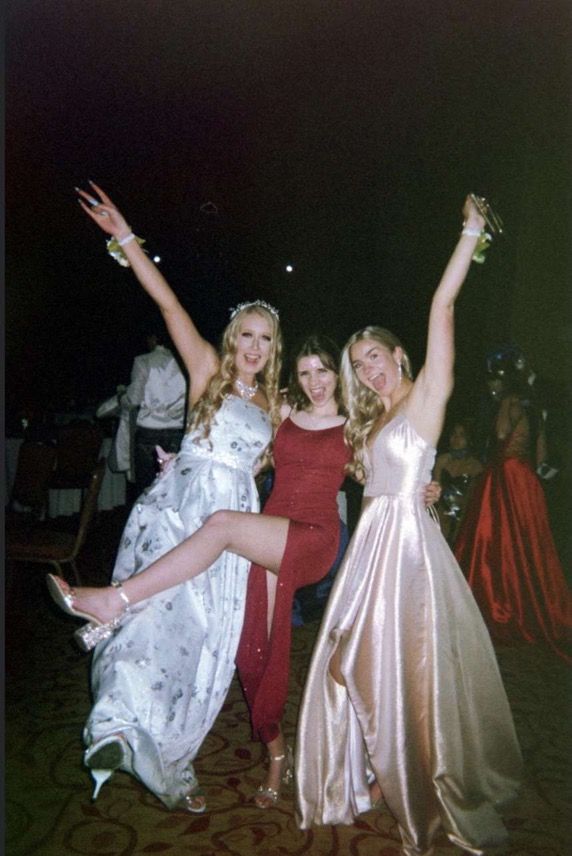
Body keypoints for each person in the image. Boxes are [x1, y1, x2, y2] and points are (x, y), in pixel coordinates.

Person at [47, 331, 440, 810]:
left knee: (223, 527)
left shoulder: (356, 424)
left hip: (312, 536)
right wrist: (183, 462)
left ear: (339, 375)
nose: (315, 382)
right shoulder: (284, 413)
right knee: (254, 654)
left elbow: (385, 469)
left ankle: (115, 598)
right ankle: (278, 754)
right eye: (304, 373)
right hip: (269, 534)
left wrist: (425, 486)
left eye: (324, 371)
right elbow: (239, 450)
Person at [295, 196, 523, 855]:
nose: (368, 367)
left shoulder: (426, 396)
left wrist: (470, 235)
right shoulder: (365, 420)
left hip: (407, 552)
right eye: (358, 363)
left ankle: (419, 784)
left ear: (398, 355)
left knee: (406, 669)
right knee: (353, 659)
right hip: (367, 545)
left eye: (375, 356)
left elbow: (441, 309)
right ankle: (362, 772)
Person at [53, 182, 282, 813]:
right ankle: (117, 726)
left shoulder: (275, 404)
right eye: (247, 336)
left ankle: (168, 754)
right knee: (151, 622)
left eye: (266, 340)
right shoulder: (206, 368)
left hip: (232, 525)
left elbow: (327, 441)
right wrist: (124, 234)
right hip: (180, 511)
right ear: (232, 338)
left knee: (202, 643)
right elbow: (167, 300)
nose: (255, 348)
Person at [454, 357, 572, 663]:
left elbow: (502, 433)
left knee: (496, 541)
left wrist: (499, 412)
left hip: (506, 474)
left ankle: (500, 602)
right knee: (529, 545)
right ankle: (530, 603)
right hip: (528, 479)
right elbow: (542, 456)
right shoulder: (536, 412)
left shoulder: (509, 402)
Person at [122, 328, 187, 496]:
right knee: (172, 489)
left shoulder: (143, 361)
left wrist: (122, 398)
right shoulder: (184, 363)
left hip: (148, 433)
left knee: (146, 488)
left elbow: (133, 399)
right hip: (176, 431)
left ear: (153, 338)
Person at [432, 417, 483, 545]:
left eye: (461, 435)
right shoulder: (441, 460)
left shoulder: (476, 467)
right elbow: (434, 494)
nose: (456, 438)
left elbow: (475, 501)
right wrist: (438, 466)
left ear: (469, 439)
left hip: (463, 520)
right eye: (453, 434)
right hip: (441, 517)